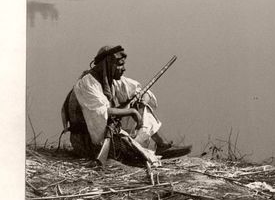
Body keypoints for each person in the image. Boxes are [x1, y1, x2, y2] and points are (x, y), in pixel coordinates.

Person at [61, 44, 191, 164]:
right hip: (87, 142)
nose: (124, 69)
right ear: (108, 64)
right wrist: (132, 111)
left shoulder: (112, 80)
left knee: (142, 107)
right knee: (133, 153)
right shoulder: (87, 84)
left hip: (107, 131)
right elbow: (101, 113)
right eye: (119, 64)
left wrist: (141, 101)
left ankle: (162, 145)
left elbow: (140, 91)